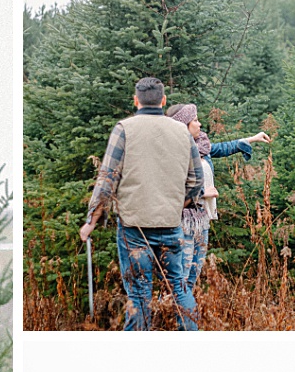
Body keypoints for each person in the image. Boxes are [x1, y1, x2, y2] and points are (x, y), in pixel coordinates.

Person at [79, 75, 205, 331]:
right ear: (163, 101)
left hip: (134, 229)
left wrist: (92, 220)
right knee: (180, 289)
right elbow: (197, 179)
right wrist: (178, 205)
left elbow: (107, 178)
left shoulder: (124, 129)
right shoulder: (182, 132)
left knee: (139, 295)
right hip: (170, 224)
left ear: (135, 100)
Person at [164, 104, 270, 293]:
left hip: (202, 219)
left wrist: (251, 139)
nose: (200, 123)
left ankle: (185, 316)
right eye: (195, 120)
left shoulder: (201, 146)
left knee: (193, 275)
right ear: (183, 126)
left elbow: (221, 148)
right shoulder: (173, 153)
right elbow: (170, 190)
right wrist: (201, 193)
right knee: (182, 276)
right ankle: (174, 317)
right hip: (182, 223)